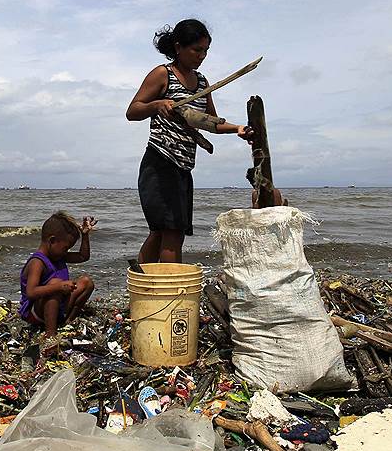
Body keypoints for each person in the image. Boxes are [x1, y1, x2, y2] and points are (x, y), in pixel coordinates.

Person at [126, 19, 253, 263]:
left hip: (184, 166)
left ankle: (144, 287)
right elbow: (132, 111)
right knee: (170, 231)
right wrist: (156, 105)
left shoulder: (202, 83)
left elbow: (210, 122)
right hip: (160, 162)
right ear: (178, 47)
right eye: (197, 50)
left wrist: (238, 128)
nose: (202, 56)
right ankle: (169, 289)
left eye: (205, 50)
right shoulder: (163, 74)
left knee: (164, 230)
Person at [18, 212, 96, 338]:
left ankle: (67, 321)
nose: (67, 252)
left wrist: (85, 235)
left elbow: (83, 256)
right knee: (54, 284)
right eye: (66, 248)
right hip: (37, 313)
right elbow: (31, 292)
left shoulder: (58, 255)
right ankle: (51, 334)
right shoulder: (37, 262)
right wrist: (59, 287)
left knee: (86, 282)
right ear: (52, 241)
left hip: (59, 306)